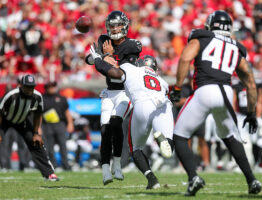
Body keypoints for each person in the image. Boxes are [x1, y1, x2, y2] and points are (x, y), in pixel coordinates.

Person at [169, 10, 262, 196]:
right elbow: (250, 82)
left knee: (179, 136)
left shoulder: (201, 38)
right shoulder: (235, 47)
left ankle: (193, 177)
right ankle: (252, 180)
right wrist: (251, 113)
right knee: (229, 136)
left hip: (204, 90)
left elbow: (186, 58)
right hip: (226, 93)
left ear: (210, 26)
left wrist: (177, 88)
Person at [89, 48, 174, 189]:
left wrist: (98, 59)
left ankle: (152, 180)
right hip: (163, 106)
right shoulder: (162, 80)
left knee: (136, 149)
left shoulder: (131, 69)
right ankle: (164, 141)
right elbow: (167, 93)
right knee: (168, 147)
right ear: (155, 68)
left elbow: (112, 73)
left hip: (142, 104)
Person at [86, 10, 142, 185]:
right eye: (112, 25)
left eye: (117, 25)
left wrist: (104, 58)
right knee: (105, 129)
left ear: (125, 26)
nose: (115, 28)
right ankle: (105, 170)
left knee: (116, 123)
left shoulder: (133, 46)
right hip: (109, 92)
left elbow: (119, 73)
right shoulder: (104, 40)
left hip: (125, 92)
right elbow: (89, 59)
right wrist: (94, 58)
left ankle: (117, 163)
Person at [0, 74, 58, 180]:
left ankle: (49, 173)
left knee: (37, 143)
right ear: (21, 85)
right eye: (27, 86)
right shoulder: (11, 95)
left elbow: (37, 115)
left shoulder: (37, 97)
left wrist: (36, 133)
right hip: (4, 120)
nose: (29, 89)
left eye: (32, 87)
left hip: (22, 121)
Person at [42, 81, 74, 170]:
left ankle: (66, 165)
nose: (52, 88)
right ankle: (53, 165)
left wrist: (70, 124)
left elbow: (67, 112)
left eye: (53, 86)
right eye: (50, 86)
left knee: (63, 145)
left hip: (60, 124)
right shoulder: (42, 98)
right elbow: (38, 114)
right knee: (49, 147)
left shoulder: (61, 98)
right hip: (47, 125)